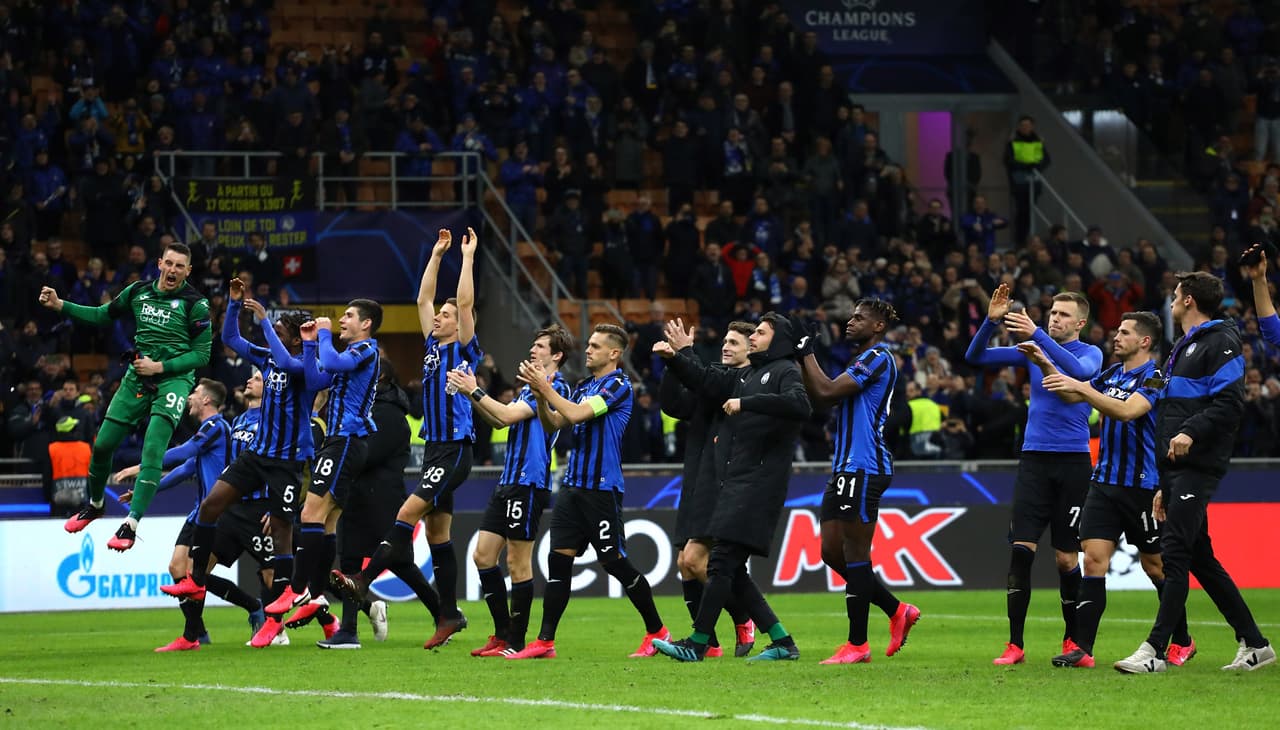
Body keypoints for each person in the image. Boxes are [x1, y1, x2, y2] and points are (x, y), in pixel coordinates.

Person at [1095, 272, 1274, 673]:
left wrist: (1191, 432)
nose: (1172, 300)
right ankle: (1256, 644)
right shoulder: (1184, 346)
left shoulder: (1221, 341)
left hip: (1199, 464)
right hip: (1177, 470)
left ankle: (1155, 651)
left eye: (1176, 295)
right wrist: (1164, 481)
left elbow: (1229, 402)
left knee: (1174, 552)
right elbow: (1170, 415)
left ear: (1189, 300)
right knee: (1200, 558)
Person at [329, 227, 479, 650]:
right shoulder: (432, 346)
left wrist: (466, 258)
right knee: (438, 536)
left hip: (454, 448)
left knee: (406, 513)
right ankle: (448, 614)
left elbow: (465, 303)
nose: (439, 317)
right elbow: (422, 300)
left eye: (446, 315)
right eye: (440, 315)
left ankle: (362, 579)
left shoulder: (464, 347)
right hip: (434, 448)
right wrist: (436, 255)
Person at [163, 280, 327, 649]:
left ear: (296, 339)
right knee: (210, 505)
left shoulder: (306, 364)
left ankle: (280, 618)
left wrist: (266, 321)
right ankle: (196, 580)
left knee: (282, 535)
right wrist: (234, 305)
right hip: (257, 455)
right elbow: (230, 339)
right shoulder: (268, 358)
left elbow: (291, 364)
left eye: (281, 333)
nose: (272, 337)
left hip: (286, 463)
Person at [1037, 312, 1194, 668]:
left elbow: (1126, 411)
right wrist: (1043, 362)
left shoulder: (1156, 378)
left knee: (1155, 567)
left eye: (1124, 332)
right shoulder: (1111, 374)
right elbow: (1071, 395)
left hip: (1142, 486)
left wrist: (1083, 388)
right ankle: (1083, 649)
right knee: (1093, 560)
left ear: (1144, 341)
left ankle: (1183, 640)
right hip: (1104, 483)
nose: (1116, 336)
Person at [652, 313, 810, 662]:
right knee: (725, 567)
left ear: (776, 340)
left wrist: (745, 402)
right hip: (730, 481)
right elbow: (697, 386)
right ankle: (780, 641)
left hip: (753, 484)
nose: (752, 338)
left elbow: (801, 404)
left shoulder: (780, 372)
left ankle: (700, 642)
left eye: (759, 333)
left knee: (713, 562)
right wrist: (676, 358)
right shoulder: (749, 376)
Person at [504, 324, 669, 659]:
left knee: (615, 562)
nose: (588, 350)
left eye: (595, 346)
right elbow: (555, 422)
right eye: (589, 344)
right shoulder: (583, 386)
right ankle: (545, 641)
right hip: (572, 487)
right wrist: (540, 396)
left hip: (601, 489)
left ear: (614, 353)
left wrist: (544, 388)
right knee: (558, 561)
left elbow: (578, 413)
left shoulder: (618, 385)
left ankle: (657, 631)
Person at [965, 284, 1103, 665]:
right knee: (1021, 551)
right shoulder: (1031, 349)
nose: (1054, 318)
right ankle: (1015, 645)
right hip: (1034, 462)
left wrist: (1038, 337)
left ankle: (1073, 640)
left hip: (1073, 463)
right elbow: (974, 356)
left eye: (1063, 314)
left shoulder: (1090, 353)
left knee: (1066, 559)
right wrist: (990, 323)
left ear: (1080, 323)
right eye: (1052, 312)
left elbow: (1079, 372)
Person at [46, 242, 212, 551]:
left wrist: (160, 367)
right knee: (103, 444)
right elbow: (102, 315)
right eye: (169, 263)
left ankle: (131, 524)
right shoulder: (138, 291)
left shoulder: (196, 304)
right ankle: (95, 505)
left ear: (188, 271)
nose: (173, 270)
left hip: (173, 380)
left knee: (153, 448)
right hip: (138, 376)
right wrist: (60, 305)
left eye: (180, 266)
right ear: (159, 263)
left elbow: (202, 354)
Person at [797, 300, 921, 664]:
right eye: (850, 316)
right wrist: (804, 359)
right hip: (844, 467)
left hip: (865, 466)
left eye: (859, 318)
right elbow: (821, 398)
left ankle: (857, 645)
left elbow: (827, 391)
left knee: (854, 553)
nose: (849, 322)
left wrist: (806, 354)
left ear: (878, 326)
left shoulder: (878, 357)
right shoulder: (859, 361)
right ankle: (897, 610)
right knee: (831, 552)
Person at [445, 324, 573, 657]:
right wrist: (469, 393)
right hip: (508, 482)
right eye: (533, 345)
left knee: (518, 562)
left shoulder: (555, 386)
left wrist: (474, 390)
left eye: (541, 346)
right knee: (483, 556)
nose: (533, 349)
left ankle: (516, 641)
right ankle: (502, 634)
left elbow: (506, 414)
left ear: (557, 355)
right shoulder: (529, 388)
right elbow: (498, 420)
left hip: (529, 483)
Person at [116, 379, 266, 651]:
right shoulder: (206, 432)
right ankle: (199, 632)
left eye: (195, 392)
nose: (189, 397)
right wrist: (144, 490)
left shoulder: (217, 427)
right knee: (178, 569)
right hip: (199, 511)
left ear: (206, 400)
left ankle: (241, 611)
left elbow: (186, 451)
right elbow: (185, 469)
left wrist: (142, 466)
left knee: (194, 573)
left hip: (216, 513)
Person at [265, 298, 382, 631]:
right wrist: (309, 344)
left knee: (310, 514)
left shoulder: (366, 350)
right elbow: (316, 381)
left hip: (346, 440)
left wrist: (324, 335)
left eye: (349, 315)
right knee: (327, 522)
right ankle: (315, 595)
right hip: (341, 442)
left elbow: (330, 361)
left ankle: (298, 589)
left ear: (366, 324)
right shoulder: (348, 355)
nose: (341, 319)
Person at [659, 321, 757, 658]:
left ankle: (743, 619)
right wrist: (672, 364)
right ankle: (709, 643)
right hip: (698, 476)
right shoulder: (713, 375)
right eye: (725, 341)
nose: (726, 346)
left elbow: (705, 381)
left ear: (751, 350)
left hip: (723, 480)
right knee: (684, 563)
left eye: (734, 343)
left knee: (697, 560)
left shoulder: (745, 380)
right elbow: (674, 405)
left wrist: (683, 354)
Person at [313, 355, 406, 650]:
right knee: (335, 566)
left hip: (372, 497)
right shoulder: (353, 410)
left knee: (344, 564)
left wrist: (321, 336)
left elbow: (367, 453)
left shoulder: (384, 415)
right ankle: (359, 619)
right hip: (351, 491)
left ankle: (444, 612)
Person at [1004, 115, 1051, 246]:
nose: (1026, 128)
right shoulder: (1013, 142)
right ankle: (1020, 241)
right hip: (1019, 182)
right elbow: (1008, 161)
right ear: (1019, 127)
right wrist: (1026, 165)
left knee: (1030, 212)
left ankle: (1028, 240)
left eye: (1028, 125)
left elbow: (1046, 160)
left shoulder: (1038, 141)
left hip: (1034, 181)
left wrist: (1037, 166)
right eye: (1023, 125)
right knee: (1021, 212)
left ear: (1032, 126)